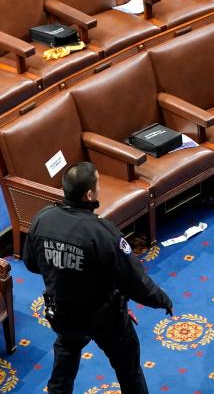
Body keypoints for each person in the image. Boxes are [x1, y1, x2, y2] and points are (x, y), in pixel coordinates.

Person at [24, 162, 173, 394]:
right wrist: (161, 299)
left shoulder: (42, 218)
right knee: (128, 370)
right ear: (89, 194)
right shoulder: (103, 232)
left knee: (64, 365)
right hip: (105, 317)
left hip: (63, 313)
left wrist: (64, 274)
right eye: (98, 182)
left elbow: (32, 263)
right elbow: (134, 281)